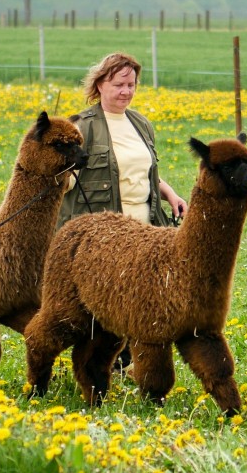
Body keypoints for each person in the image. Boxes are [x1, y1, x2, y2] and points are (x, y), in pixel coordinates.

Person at [61, 52, 188, 370]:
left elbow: (145, 170)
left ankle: (133, 363)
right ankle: (100, 364)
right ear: (101, 84)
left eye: (131, 85)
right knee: (109, 300)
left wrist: (170, 194)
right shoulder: (81, 126)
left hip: (145, 227)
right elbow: (61, 179)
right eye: (119, 84)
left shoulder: (141, 123)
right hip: (105, 233)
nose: (126, 91)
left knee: (142, 297)